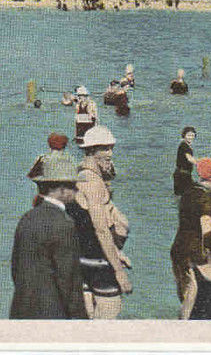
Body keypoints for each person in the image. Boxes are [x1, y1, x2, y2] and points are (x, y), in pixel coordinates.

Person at [9, 155, 88, 319]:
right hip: (53, 314)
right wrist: (81, 321)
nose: (77, 190)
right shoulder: (64, 224)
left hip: (21, 310)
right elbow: (69, 281)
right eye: (73, 186)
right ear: (62, 190)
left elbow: (16, 269)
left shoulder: (27, 218)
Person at [69, 125, 131, 319]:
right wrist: (119, 271)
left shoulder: (77, 175)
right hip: (98, 261)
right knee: (108, 317)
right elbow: (101, 230)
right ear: (91, 151)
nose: (110, 153)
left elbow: (84, 225)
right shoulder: (93, 183)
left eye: (111, 148)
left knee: (85, 322)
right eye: (105, 148)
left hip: (81, 259)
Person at [170, 157, 211, 302]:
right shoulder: (207, 201)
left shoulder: (188, 192)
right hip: (196, 252)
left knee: (185, 294)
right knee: (199, 298)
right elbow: (207, 234)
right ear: (210, 179)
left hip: (179, 248)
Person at [172, 126, 198, 196]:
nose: (191, 137)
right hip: (182, 176)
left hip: (184, 174)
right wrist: (201, 165)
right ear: (184, 135)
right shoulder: (184, 146)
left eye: (192, 135)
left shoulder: (186, 146)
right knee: (187, 195)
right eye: (188, 135)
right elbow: (189, 158)